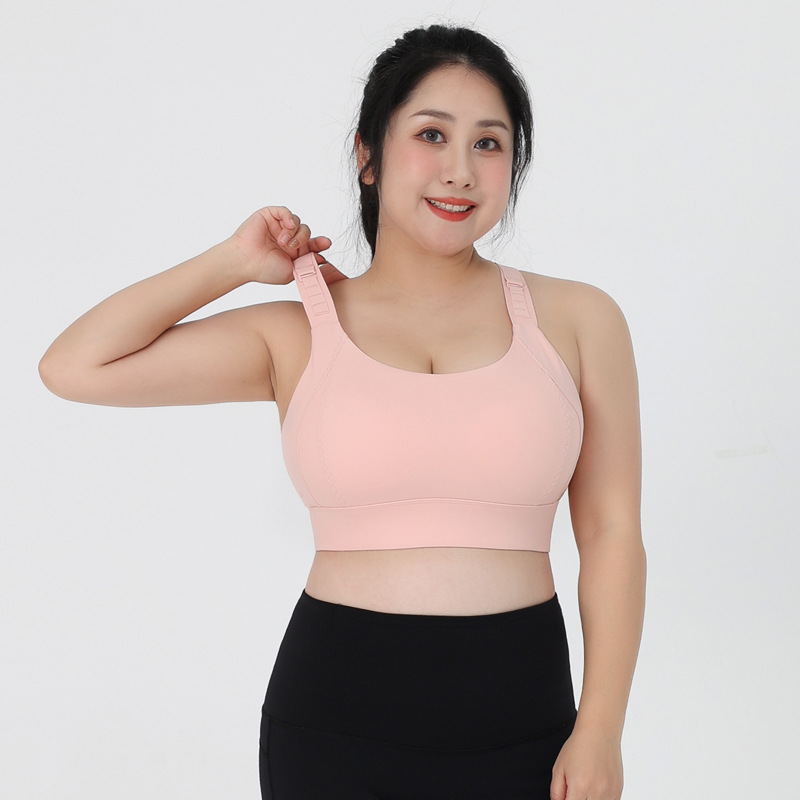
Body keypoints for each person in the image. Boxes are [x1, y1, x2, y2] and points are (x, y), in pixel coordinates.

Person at [39, 22, 645, 800]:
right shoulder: (295, 333)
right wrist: (233, 262)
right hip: (332, 726)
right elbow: (74, 366)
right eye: (432, 134)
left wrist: (601, 728)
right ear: (368, 155)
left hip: (527, 725)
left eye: (489, 144)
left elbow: (612, 532)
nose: (460, 171)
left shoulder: (581, 320)